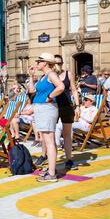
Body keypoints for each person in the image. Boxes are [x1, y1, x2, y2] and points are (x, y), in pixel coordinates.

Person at [29, 53, 65, 183]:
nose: (37, 63)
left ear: (45, 63)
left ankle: (51, 173)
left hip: (47, 109)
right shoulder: (43, 76)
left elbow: (61, 87)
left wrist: (50, 96)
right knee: (47, 140)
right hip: (41, 109)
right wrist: (31, 77)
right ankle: (51, 170)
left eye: (39, 61)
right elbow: (33, 91)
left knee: (49, 141)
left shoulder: (51, 75)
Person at [43, 54, 80, 171]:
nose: (58, 65)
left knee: (67, 133)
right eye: (56, 63)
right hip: (52, 106)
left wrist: (78, 106)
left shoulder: (68, 74)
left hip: (66, 106)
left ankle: (69, 159)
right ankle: (45, 155)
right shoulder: (49, 75)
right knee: (49, 133)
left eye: (60, 63)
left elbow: (73, 89)